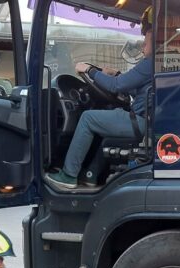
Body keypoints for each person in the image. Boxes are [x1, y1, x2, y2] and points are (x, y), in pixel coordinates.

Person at [45, 13, 154, 190]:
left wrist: (90, 70)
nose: (142, 46)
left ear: (155, 44)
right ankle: (91, 176)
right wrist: (116, 74)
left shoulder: (150, 63)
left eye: (146, 42)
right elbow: (133, 87)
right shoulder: (158, 64)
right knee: (105, 130)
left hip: (141, 123)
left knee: (88, 118)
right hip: (148, 122)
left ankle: (68, 175)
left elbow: (116, 87)